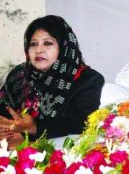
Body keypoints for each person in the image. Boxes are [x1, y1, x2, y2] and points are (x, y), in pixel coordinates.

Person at [0, 16, 104, 144]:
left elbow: (80, 123)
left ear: (64, 46)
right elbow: (3, 112)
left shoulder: (86, 79)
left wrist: (33, 128)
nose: (39, 50)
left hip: (61, 151)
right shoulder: (19, 75)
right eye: (33, 44)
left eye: (48, 43)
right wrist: (5, 129)